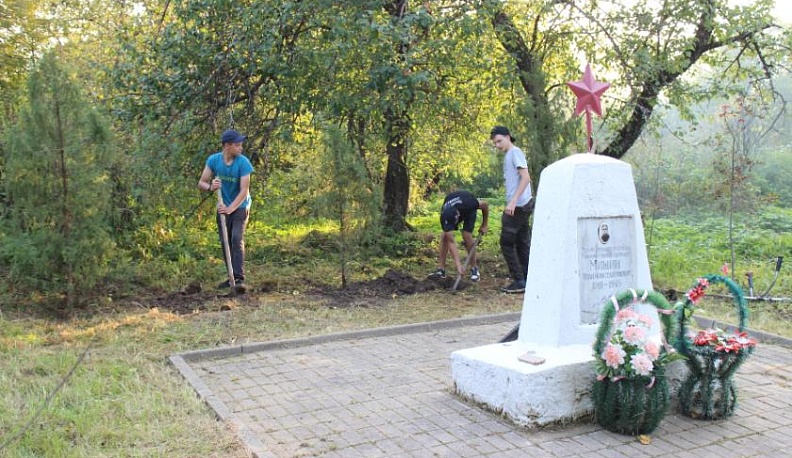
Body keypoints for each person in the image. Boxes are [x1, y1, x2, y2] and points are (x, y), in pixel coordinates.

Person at [198, 129, 254, 288]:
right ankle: (230, 277)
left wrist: (231, 209)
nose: (241, 147)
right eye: (237, 145)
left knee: (236, 238)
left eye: (241, 144)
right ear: (227, 146)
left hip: (240, 206)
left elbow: (244, 191)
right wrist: (210, 187)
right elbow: (201, 182)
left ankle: (239, 278)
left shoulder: (243, 162)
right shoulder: (214, 160)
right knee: (225, 241)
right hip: (223, 207)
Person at [490, 126, 533, 293]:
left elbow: (526, 178)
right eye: (495, 143)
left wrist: (513, 201)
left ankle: (519, 281)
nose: (497, 145)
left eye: (499, 141)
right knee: (522, 242)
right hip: (523, 204)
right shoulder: (510, 155)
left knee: (506, 243)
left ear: (508, 137)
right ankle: (527, 279)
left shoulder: (515, 152)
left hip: (519, 205)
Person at [427, 190, 489, 282]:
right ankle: (441, 270)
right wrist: (458, 265)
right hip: (452, 206)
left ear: (458, 215)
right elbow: (451, 241)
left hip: (467, 208)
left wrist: (484, 224)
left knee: (466, 235)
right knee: (445, 236)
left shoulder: (469, 204)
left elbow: (485, 205)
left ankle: (474, 269)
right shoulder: (444, 216)